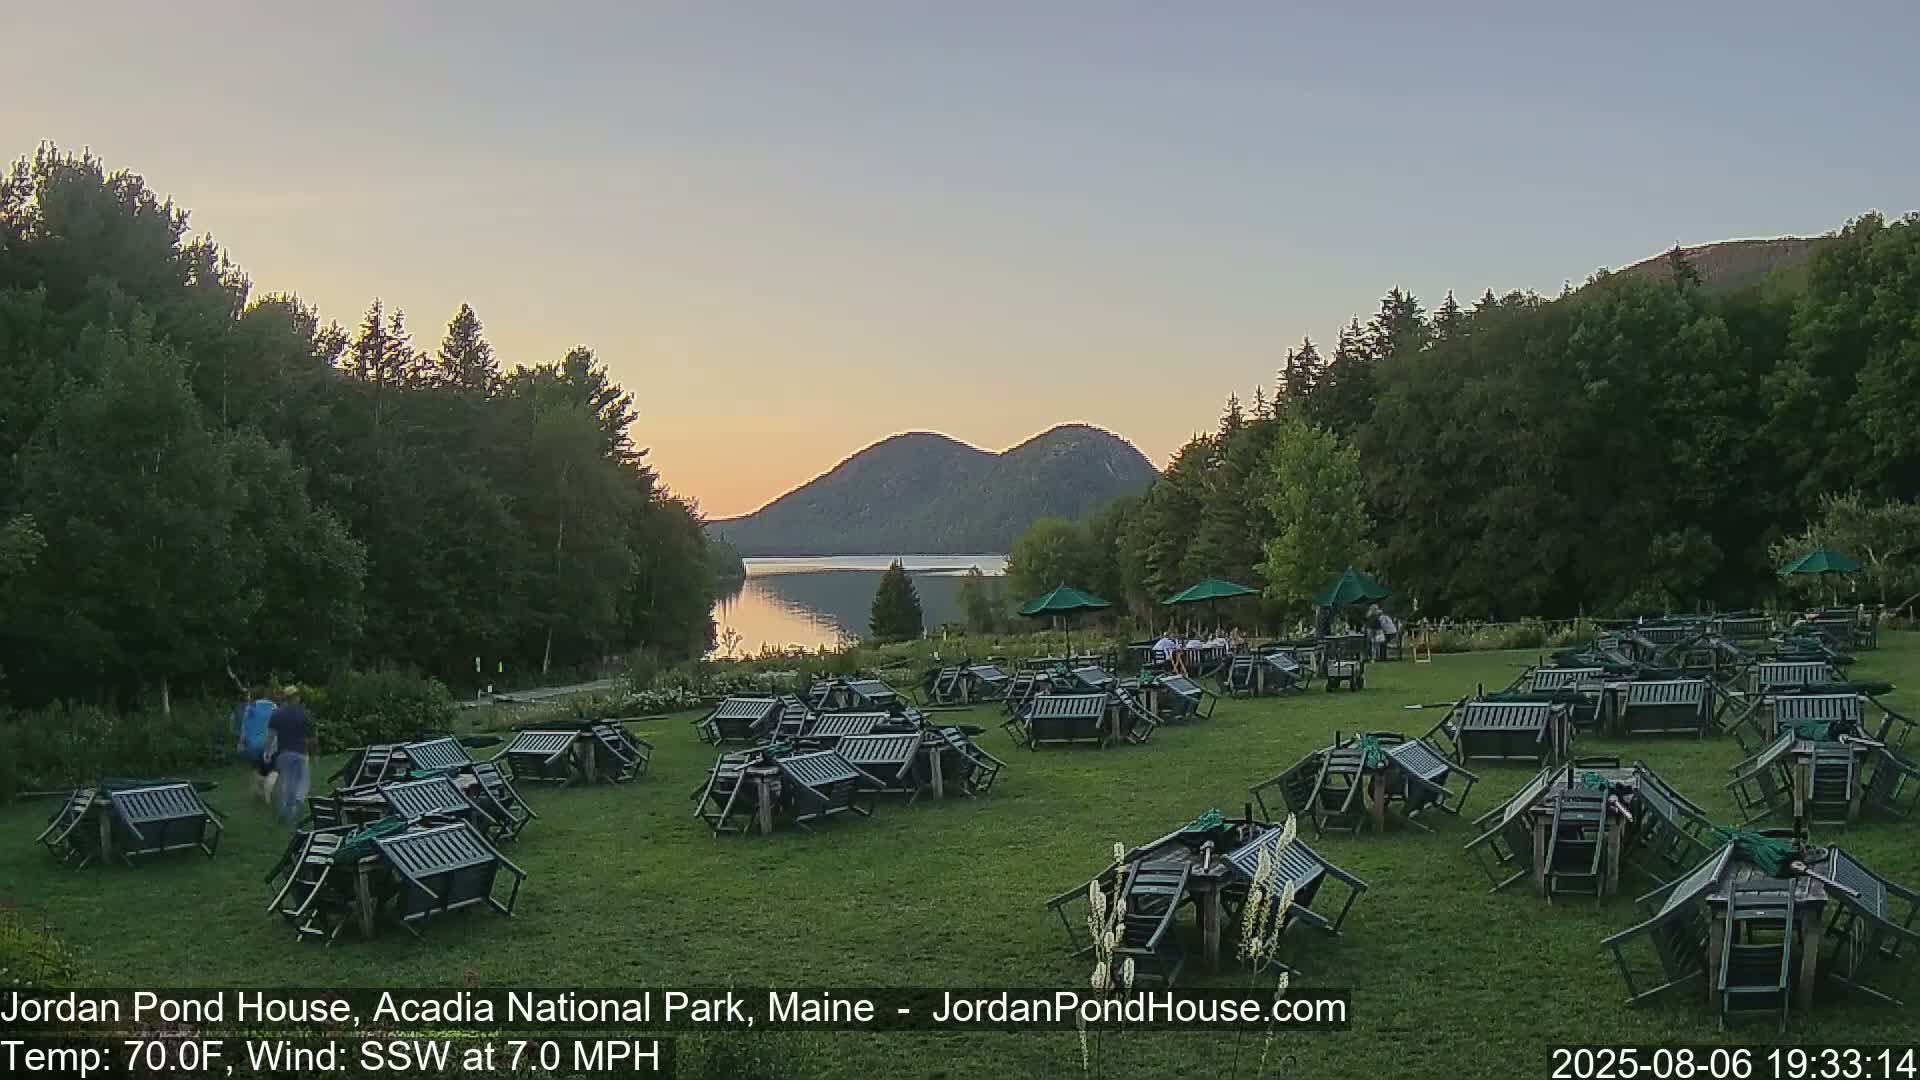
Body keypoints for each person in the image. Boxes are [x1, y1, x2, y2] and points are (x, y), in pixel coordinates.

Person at [266, 686, 311, 825]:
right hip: (300, 752)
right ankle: (292, 809)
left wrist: (267, 752)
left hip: (284, 753)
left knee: (287, 781)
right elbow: (310, 736)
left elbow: (270, 736)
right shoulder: (303, 714)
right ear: (296, 697)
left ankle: (286, 809)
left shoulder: (277, 714)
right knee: (300, 782)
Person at [233, 686, 278, 802]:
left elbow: (245, 727)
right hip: (270, 744)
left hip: (253, 745)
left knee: (257, 768)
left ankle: (259, 791)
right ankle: (265, 789)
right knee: (271, 769)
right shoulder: (273, 707)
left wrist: (241, 742)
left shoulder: (251, 707)